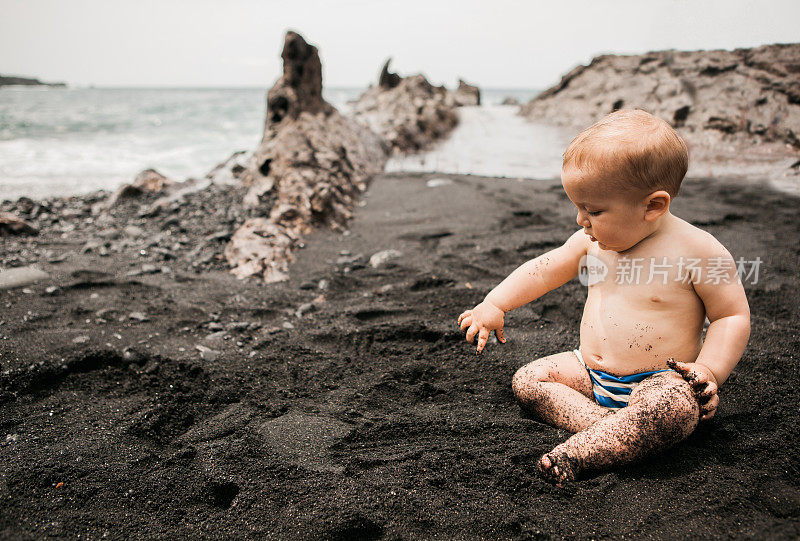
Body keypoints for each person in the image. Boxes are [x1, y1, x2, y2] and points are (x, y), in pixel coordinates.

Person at [457, 109, 750, 485]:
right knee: (530, 379)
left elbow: (731, 316)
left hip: (659, 380)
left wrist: (709, 370)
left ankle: (578, 454)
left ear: (653, 206)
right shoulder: (591, 242)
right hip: (589, 374)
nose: (581, 220)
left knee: (674, 408)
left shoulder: (700, 251)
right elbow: (544, 268)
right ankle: (615, 431)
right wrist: (495, 303)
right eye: (578, 207)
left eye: (594, 210)